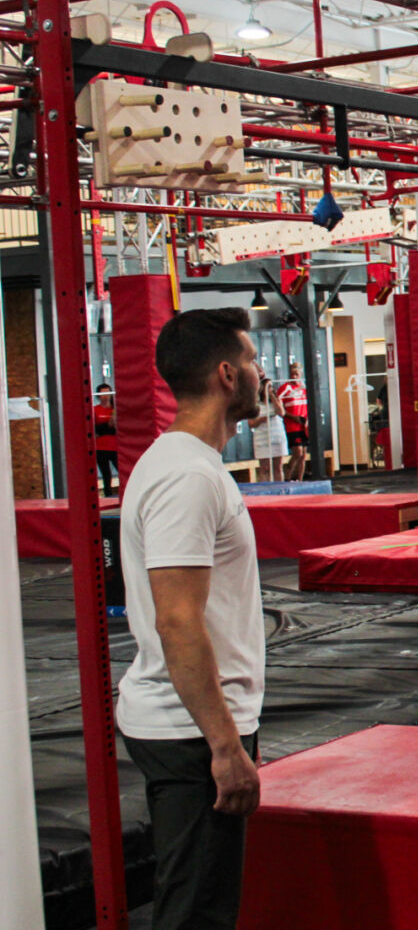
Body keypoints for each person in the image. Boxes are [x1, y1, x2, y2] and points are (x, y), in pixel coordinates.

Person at [117, 308, 266, 930]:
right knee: (195, 912)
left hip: (194, 723)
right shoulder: (187, 477)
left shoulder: (190, 465)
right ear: (228, 375)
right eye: (256, 362)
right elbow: (178, 624)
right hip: (192, 730)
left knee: (203, 902)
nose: (264, 373)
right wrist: (225, 746)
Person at [248, 378, 287, 482]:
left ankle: (280, 491)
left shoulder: (276, 401)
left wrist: (272, 396)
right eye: (266, 387)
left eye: (270, 387)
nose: (268, 389)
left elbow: (281, 413)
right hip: (262, 439)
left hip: (276, 437)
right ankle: (265, 491)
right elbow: (251, 424)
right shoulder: (256, 405)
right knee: (265, 468)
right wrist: (261, 420)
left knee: (277, 467)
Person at [276, 362, 309, 481]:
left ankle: (300, 480)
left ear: (301, 373)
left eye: (296, 374)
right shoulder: (284, 388)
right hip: (292, 426)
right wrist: (293, 417)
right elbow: (280, 409)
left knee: (303, 455)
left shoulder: (304, 387)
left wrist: (307, 421)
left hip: (304, 426)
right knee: (297, 453)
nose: (294, 377)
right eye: (292, 374)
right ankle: (288, 475)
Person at [93, 383, 118, 497]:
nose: (106, 396)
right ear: (99, 396)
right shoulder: (95, 410)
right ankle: (108, 495)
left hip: (114, 446)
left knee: (121, 471)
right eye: (103, 394)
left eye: (108, 393)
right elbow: (94, 429)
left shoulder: (115, 409)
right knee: (106, 474)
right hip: (101, 447)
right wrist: (107, 426)